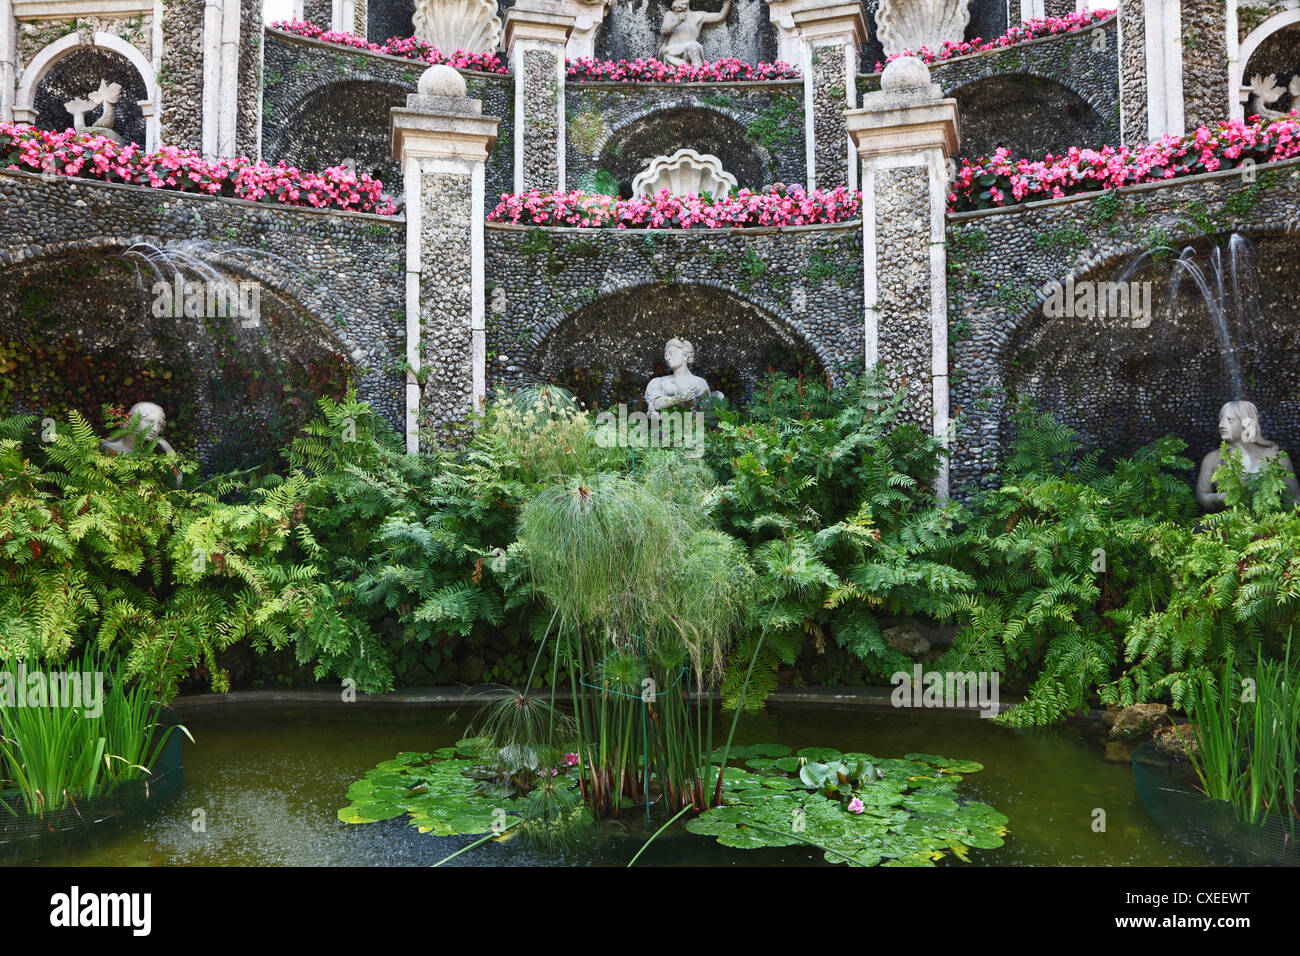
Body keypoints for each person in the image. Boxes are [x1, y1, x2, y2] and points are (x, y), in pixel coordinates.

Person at [1195, 400, 1300, 509]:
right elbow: (1202, 496)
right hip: (1228, 522)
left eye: (1229, 420)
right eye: (1220, 420)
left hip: (1269, 523)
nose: (1221, 425)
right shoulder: (1212, 459)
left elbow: (1294, 499)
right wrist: (1219, 498)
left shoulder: (1277, 458)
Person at [659, 0, 731, 68]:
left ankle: (698, 74)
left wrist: (728, 1)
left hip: (690, 51)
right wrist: (677, 21)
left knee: (693, 46)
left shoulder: (698, 15)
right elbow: (664, 30)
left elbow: (720, 16)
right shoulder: (671, 14)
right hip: (672, 51)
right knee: (693, 46)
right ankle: (699, 73)